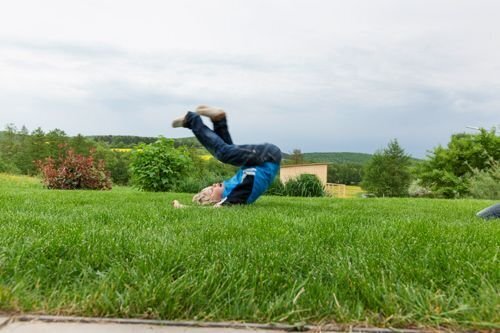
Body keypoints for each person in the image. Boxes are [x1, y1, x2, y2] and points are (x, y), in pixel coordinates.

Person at [171, 105, 282, 207]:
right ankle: (191, 120)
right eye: (211, 190)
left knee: (227, 150)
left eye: (211, 186)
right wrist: (181, 206)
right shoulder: (235, 197)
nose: (214, 185)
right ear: (215, 200)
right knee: (224, 153)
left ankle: (219, 120)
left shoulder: (230, 190)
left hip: (263, 158)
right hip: (267, 157)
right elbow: (214, 209)